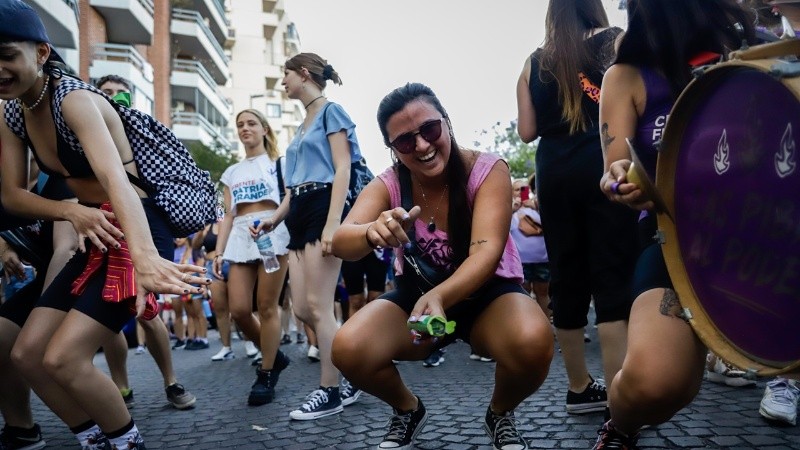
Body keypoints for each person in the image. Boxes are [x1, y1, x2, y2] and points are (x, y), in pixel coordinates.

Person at [0, 2, 210, 448]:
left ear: (40, 53)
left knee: (65, 358)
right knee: (28, 356)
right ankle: (97, 440)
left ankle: (129, 442)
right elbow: (11, 195)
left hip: (136, 227)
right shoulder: (14, 112)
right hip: (94, 227)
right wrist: (71, 212)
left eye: (5, 54)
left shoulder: (73, 99)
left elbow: (117, 181)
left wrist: (146, 258)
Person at [331, 82, 554, 450]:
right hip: (416, 297)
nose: (421, 145)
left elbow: (487, 251)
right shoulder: (388, 183)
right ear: (392, 149)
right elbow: (342, 241)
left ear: (447, 123)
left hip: (488, 296)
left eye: (430, 130)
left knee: (533, 340)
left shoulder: (487, 169)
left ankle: (500, 414)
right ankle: (407, 410)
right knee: (348, 349)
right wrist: (372, 231)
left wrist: (441, 295)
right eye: (404, 141)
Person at [595, 0, 756, 447]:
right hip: (676, 242)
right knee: (660, 383)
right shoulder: (624, 76)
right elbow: (615, 166)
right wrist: (623, 181)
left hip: (768, 237)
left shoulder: (754, 52)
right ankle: (620, 426)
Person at [515, 0, 639, 416]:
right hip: (604, 159)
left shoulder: (534, 62)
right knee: (612, 271)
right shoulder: (614, 42)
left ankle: (579, 388)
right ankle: (620, 394)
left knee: (566, 274)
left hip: (553, 170)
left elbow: (527, 131)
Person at [95, 73, 198, 410]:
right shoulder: (85, 131)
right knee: (107, 306)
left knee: (147, 305)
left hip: (148, 218)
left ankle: (171, 381)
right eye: (105, 92)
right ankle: (121, 387)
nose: (112, 98)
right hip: (106, 218)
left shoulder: (143, 130)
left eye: (120, 94)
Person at [276, 52, 363, 420]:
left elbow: (342, 167)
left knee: (318, 306)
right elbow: (292, 186)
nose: (283, 83)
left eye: (285, 75)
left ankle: (330, 390)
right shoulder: (301, 126)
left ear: (304, 74)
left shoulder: (331, 111)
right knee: (299, 308)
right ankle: (354, 364)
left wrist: (332, 223)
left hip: (323, 205)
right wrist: (274, 218)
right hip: (298, 210)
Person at [212, 108, 291, 406]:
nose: (245, 128)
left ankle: (267, 371)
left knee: (268, 306)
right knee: (240, 309)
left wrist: (274, 222)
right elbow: (227, 216)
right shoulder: (231, 172)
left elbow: (289, 197)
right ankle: (274, 353)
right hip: (240, 236)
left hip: (272, 229)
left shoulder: (278, 164)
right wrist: (219, 252)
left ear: (265, 129)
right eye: (240, 124)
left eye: (251, 123)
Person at [509, 178, 551, 318]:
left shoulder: (538, 209)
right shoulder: (509, 211)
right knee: (524, 295)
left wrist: (537, 208)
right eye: (517, 189)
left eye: (524, 188)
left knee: (543, 294)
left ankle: (547, 326)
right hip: (521, 263)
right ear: (511, 192)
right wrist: (511, 210)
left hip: (542, 261)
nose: (521, 192)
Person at [193, 222, 235, 360]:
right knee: (220, 309)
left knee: (240, 307)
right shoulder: (207, 226)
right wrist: (200, 231)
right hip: (212, 267)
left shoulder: (232, 220)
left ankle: (251, 343)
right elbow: (195, 246)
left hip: (233, 262)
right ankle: (226, 347)